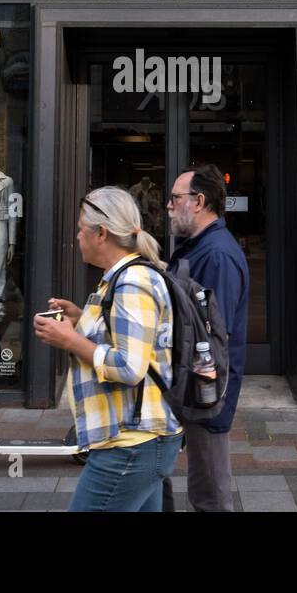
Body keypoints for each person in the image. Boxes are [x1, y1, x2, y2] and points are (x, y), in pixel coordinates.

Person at [34, 186, 183, 512]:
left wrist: (69, 340)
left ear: (101, 233)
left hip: (130, 444)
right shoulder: (121, 278)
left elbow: (130, 366)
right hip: (139, 440)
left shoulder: (132, 282)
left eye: (80, 229)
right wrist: (79, 319)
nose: (76, 236)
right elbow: (121, 337)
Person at [167, 164, 249, 512]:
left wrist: (199, 401)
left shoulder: (216, 254)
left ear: (198, 201)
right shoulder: (196, 248)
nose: (169, 206)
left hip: (205, 396)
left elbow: (216, 337)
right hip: (190, 390)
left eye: (175, 198)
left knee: (209, 497)